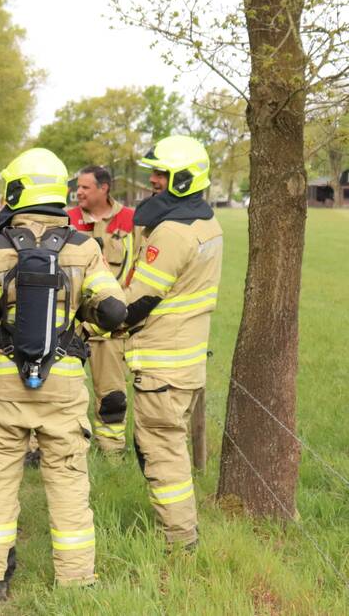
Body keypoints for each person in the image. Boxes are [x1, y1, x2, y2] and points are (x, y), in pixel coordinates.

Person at [0, 148, 127, 599]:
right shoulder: (85, 247)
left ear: (16, 190)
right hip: (64, 382)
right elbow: (114, 309)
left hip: (5, 383)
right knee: (69, 478)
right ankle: (75, 581)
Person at [123, 135, 222, 551]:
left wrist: (91, 315)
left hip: (163, 365)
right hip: (185, 360)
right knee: (166, 447)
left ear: (181, 179)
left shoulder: (174, 233)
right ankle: (180, 534)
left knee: (162, 451)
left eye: (161, 173)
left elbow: (135, 303)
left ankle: (181, 541)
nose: (152, 180)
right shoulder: (207, 223)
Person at [68, 165, 138, 454]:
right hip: (70, 327)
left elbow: (139, 268)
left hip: (111, 328)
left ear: (104, 188)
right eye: (78, 187)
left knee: (112, 398)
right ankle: (66, 452)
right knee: (63, 395)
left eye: (85, 187)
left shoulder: (131, 221)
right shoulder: (66, 219)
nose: (79, 192)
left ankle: (112, 455)